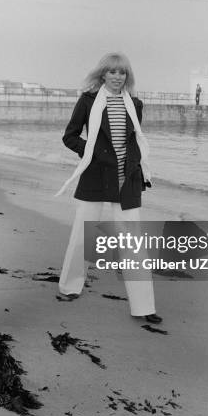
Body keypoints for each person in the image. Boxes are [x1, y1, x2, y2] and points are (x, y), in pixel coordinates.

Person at [54, 52, 162, 324]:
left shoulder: (135, 104)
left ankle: (144, 306)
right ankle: (69, 286)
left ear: (127, 76)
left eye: (122, 72)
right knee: (83, 234)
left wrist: (135, 163)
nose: (117, 77)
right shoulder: (88, 100)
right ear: (103, 74)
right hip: (94, 176)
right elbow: (70, 136)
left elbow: (134, 140)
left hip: (127, 179)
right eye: (112, 72)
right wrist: (91, 154)